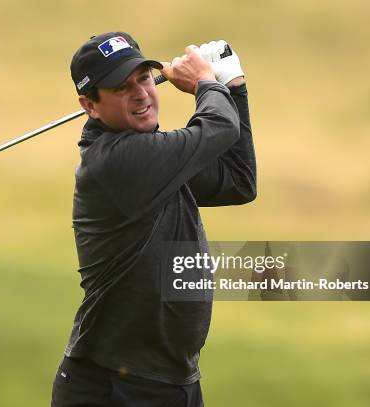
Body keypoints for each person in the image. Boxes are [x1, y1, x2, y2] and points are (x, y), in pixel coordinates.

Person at [51, 31, 256, 407]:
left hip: (170, 380)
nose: (141, 94)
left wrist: (233, 86)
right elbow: (219, 127)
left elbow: (239, 181)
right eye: (120, 87)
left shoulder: (154, 157)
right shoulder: (117, 162)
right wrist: (207, 83)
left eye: (144, 78)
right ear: (90, 105)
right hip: (113, 386)